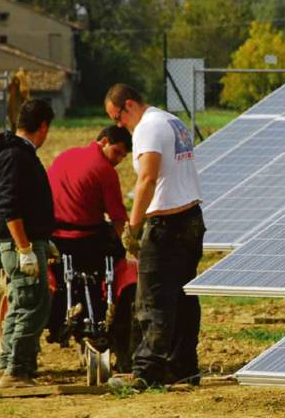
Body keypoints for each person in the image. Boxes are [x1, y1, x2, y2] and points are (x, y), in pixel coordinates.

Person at [104, 83, 205, 389]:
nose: (120, 125)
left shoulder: (147, 128)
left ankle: (146, 373)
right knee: (184, 299)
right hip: (192, 219)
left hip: (167, 225)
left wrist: (133, 229)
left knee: (152, 300)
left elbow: (147, 179)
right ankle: (183, 368)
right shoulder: (170, 121)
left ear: (130, 105)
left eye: (119, 116)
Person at [45, 126, 132, 355]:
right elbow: (117, 217)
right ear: (104, 142)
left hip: (54, 238)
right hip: (86, 240)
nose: (119, 160)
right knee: (117, 255)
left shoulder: (65, 156)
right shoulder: (105, 171)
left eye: (124, 156)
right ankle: (104, 305)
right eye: (118, 152)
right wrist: (130, 244)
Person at [0, 99, 55, 389]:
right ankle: (16, 372)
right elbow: (10, 207)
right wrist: (26, 248)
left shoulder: (13, 153)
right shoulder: (17, 156)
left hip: (24, 242)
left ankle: (9, 369)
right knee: (32, 306)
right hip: (19, 246)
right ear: (43, 126)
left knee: (21, 305)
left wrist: (42, 238)